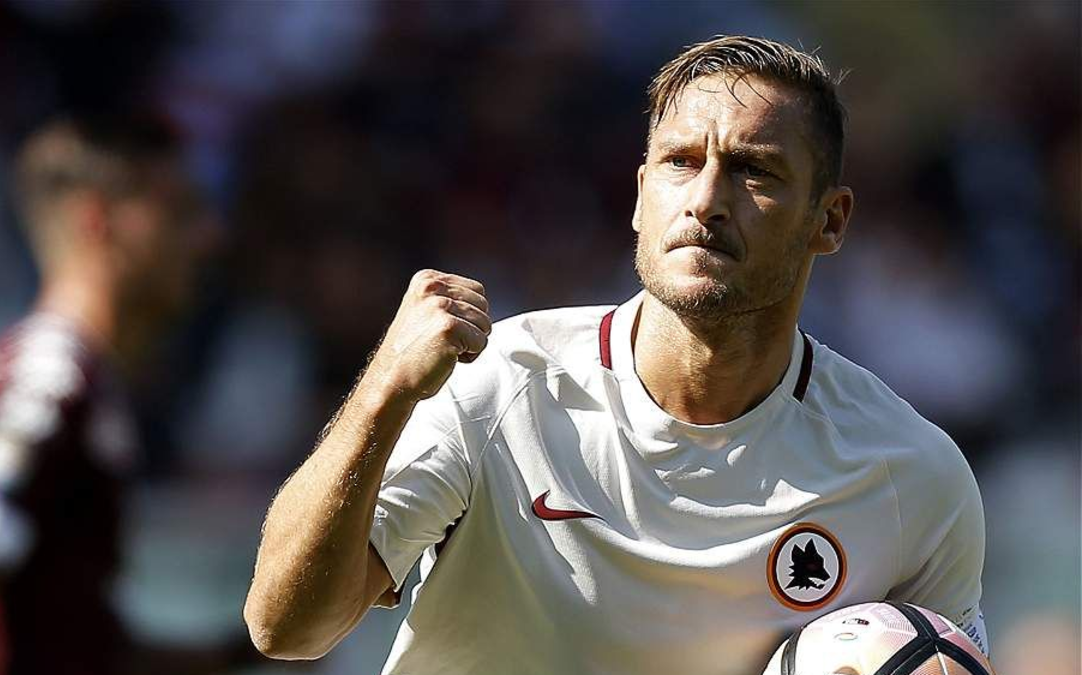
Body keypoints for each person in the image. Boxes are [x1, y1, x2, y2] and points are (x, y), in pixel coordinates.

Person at [243, 35, 989, 675]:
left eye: (754, 170)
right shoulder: (499, 383)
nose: (705, 199)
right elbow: (285, 629)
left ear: (830, 220)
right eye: (679, 162)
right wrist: (383, 391)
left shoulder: (910, 475)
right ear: (638, 196)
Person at [0, 114, 220, 675]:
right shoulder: (47, 381)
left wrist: (237, 655)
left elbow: (68, 642)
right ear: (97, 221)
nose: (206, 236)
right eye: (177, 211)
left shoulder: (86, 384)